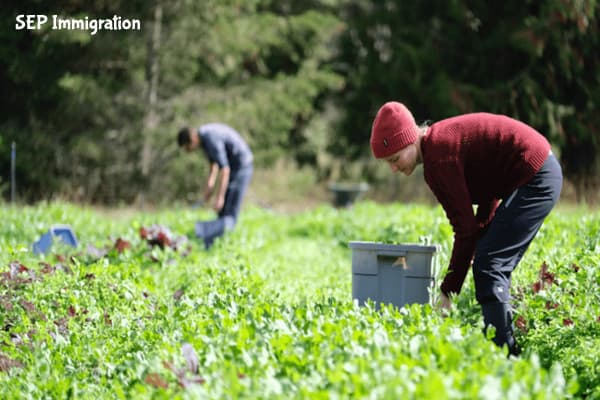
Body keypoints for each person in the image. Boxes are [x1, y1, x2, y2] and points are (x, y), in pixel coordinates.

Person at [369, 101, 562, 355]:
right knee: (489, 259)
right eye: (388, 163)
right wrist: (481, 237)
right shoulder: (439, 144)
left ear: (410, 139)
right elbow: (488, 189)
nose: (394, 168)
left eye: (395, 158)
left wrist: (448, 291)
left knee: (490, 264)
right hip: (535, 171)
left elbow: (465, 230)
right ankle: (503, 344)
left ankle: (505, 357)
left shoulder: (438, 159)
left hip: (535, 176)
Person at [177, 123, 253, 248]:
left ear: (192, 139)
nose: (189, 151)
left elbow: (225, 169)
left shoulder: (210, 138)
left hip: (242, 167)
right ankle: (210, 241)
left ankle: (223, 245)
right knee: (222, 212)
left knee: (229, 212)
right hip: (234, 167)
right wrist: (209, 189)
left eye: (187, 148)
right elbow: (214, 165)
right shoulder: (204, 139)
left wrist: (220, 198)